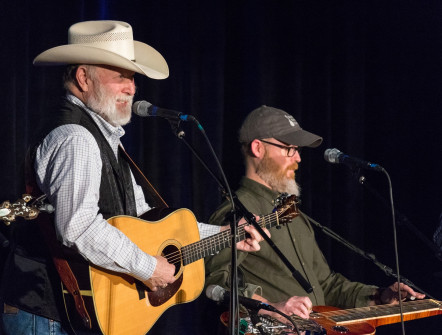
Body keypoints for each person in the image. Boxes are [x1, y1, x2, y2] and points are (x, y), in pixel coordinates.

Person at [0, 20, 267, 335]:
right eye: (120, 77)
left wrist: (223, 233)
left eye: (132, 78)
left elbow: (144, 219)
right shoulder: (77, 138)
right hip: (46, 313)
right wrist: (149, 267)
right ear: (84, 77)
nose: (131, 87)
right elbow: (78, 227)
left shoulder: (102, 137)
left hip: (69, 313)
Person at [204, 105, 425, 323]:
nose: (298, 158)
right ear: (258, 148)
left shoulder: (291, 214)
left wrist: (380, 296)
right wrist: (272, 308)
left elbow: (325, 285)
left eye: (298, 150)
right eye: (289, 148)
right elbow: (218, 284)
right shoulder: (236, 212)